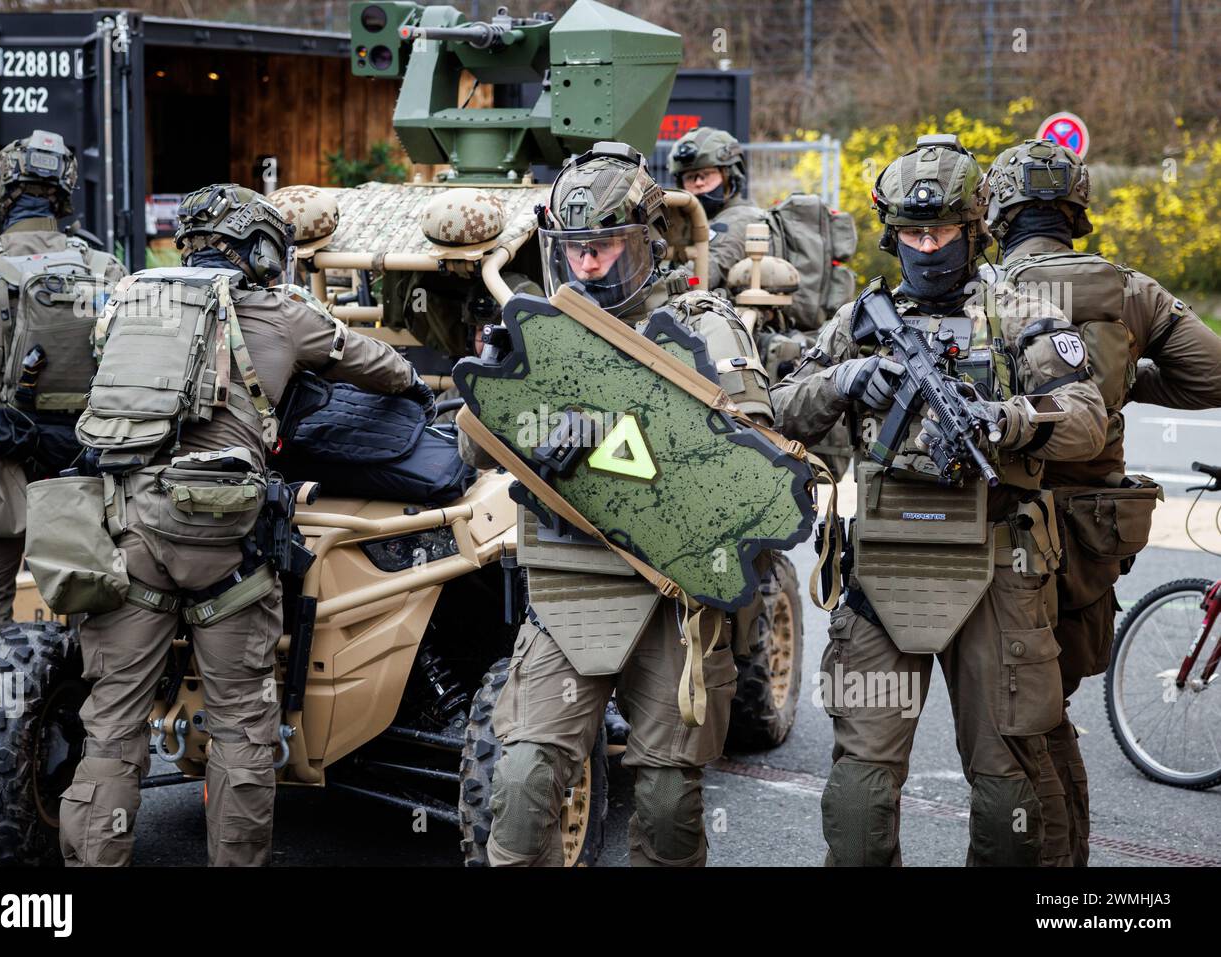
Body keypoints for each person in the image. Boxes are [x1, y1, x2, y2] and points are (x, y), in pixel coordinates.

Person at [57, 184, 430, 866]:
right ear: (260, 249)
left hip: (124, 531)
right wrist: (416, 385)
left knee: (110, 727)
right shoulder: (281, 311)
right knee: (242, 729)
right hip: (223, 543)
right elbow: (374, 363)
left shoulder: (132, 302)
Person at [772, 134, 1108, 866]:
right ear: (894, 234)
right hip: (884, 568)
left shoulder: (1018, 314)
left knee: (1006, 800)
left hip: (996, 564)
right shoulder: (862, 319)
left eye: (943, 231)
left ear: (975, 226)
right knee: (857, 806)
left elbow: (1086, 418)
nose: (927, 247)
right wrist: (846, 380)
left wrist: (1011, 419)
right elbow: (782, 405)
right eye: (914, 233)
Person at [461, 142, 772, 866]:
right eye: (574, 248)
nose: (588, 263)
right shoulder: (541, 325)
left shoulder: (703, 324)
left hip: (671, 597)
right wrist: (513, 404)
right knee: (521, 783)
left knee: (667, 806)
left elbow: (752, 465)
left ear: (645, 242)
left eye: (603, 245)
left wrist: (618, 437)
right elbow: (470, 450)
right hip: (571, 585)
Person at [987, 138, 1221, 865]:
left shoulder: (985, 290)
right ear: (1076, 210)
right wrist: (1118, 386)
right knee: (1052, 709)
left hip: (1004, 533)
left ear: (999, 211)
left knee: (1016, 725)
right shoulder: (1131, 291)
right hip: (1093, 538)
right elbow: (1211, 377)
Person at [0, 130, 128, 666]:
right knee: (94, 593)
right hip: (85, 457)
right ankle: (92, 713)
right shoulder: (105, 270)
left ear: (4, 191)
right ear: (63, 191)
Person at [668, 126, 763, 290]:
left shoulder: (740, 219)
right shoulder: (687, 221)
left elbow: (699, 278)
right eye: (690, 177)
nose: (698, 183)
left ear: (729, 175)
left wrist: (663, 287)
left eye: (706, 174)